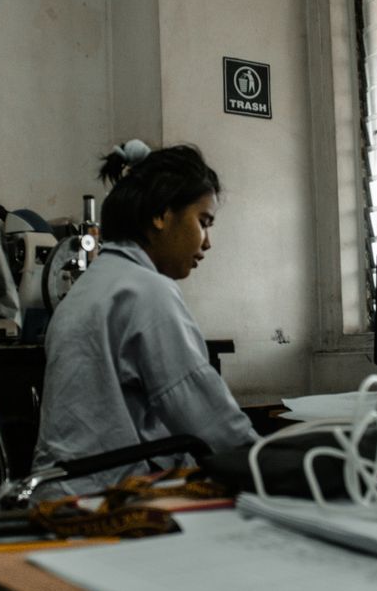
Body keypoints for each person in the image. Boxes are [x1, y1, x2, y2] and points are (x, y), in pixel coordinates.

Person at [29, 140, 259, 496]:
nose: (207, 242)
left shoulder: (90, 286)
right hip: (107, 499)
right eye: (203, 222)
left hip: (61, 490)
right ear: (162, 215)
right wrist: (272, 464)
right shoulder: (146, 291)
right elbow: (208, 420)